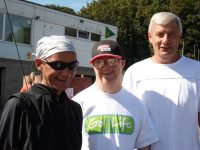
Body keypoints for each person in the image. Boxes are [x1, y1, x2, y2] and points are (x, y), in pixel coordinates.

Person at [123, 12, 200, 150]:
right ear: (150, 37)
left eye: (172, 34)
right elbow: (127, 120)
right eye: (160, 34)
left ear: (180, 37)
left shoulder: (196, 71)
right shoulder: (134, 73)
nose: (166, 40)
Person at [72, 40, 158, 150]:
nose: (106, 67)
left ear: (122, 63)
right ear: (93, 66)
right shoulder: (78, 104)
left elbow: (145, 146)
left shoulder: (137, 105)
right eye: (99, 62)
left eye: (112, 61)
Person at [0, 35, 83, 150]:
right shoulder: (20, 105)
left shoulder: (75, 109)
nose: (66, 73)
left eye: (72, 66)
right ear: (39, 64)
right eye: (59, 65)